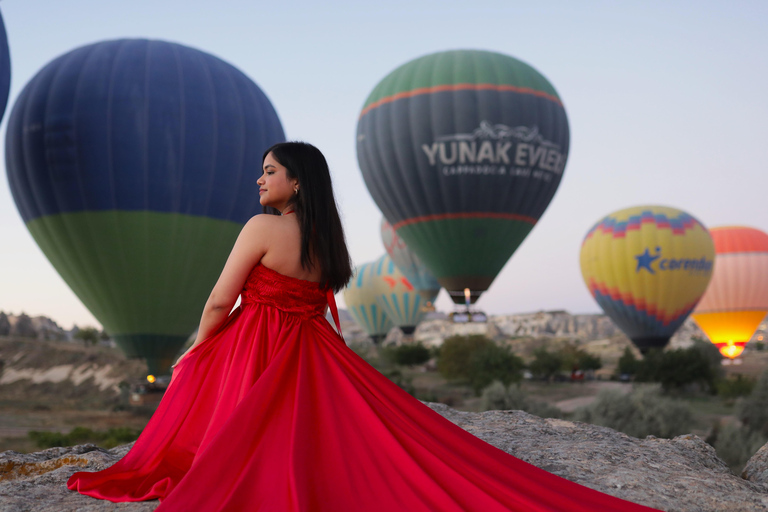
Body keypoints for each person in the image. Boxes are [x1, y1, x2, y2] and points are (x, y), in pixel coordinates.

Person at [67, 142, 659, 511]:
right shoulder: (328, 240)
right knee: (319, 433)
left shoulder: (260, 227)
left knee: (240, 425)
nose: (259, 179)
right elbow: (320, 300)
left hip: (256, 342)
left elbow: (221, 302)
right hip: (309, 346)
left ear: (295, 181)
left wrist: (196, 350)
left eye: (268, 171)